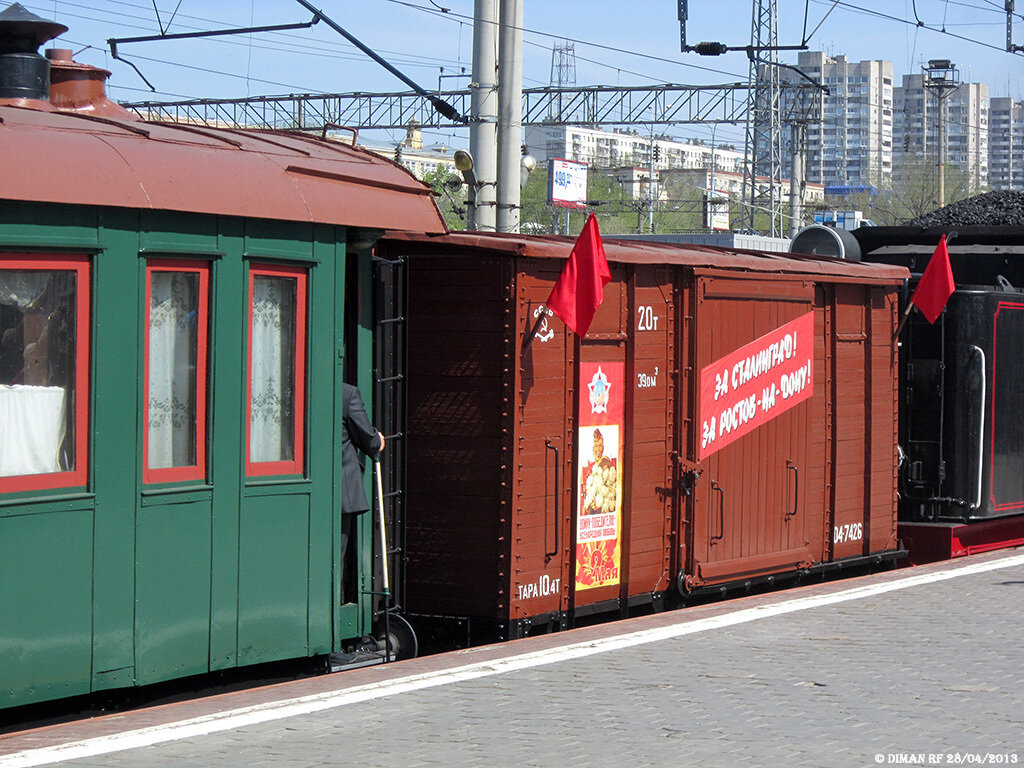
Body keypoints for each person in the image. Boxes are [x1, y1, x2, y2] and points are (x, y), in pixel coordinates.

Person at [340, 382, 384, 603]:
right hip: (342, 495)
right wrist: (379, 440)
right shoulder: (347, 393)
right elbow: (369, 439)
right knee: (338, 555)